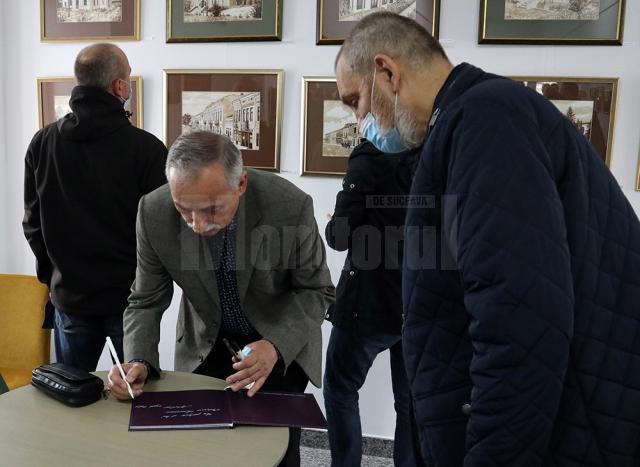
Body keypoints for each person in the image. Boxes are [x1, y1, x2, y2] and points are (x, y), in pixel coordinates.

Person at [335, 12, 640, 466]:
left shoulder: (485, 119)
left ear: (387, 72)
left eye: (354, 100)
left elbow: (517, 324)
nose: (358, 119)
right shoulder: (465, 121)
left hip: (572, 426)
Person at [108, 131, 334, 467]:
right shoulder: (152, 211)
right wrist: (138, 360)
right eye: (184, 210)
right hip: (208, 340)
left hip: (279, 339)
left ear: (240, 184)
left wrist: (273, 345)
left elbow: (317, 290)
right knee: (203, 449)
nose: (197, 224)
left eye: (212, 209)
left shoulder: (289, 206)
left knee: (277, 451)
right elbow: (145, 299)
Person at [23, 43, 167, 371]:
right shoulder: (146, 149)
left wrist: (54, 277)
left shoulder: (43, 142)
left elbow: (32, 223)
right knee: (135, 400)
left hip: (70, 297)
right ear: (118, 85)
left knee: (72, 401)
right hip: (131, 301)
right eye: (127, 77)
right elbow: (160, 233)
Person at [323, 139, 420, 467]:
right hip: (418, 301)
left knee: (339, 389)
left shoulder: (370, 154)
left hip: (368, 302)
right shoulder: (432, 148)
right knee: (409, 402)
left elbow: (338, 236)